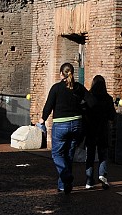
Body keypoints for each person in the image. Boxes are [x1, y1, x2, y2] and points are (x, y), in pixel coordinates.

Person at [39, 62, 92, 194]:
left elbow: (48, 106)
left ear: (61, 74)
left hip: (61, 124)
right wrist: (82, 106)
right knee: (68, 155)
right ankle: (63, 186)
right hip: (77, 124)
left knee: (57, 154)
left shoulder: (56, 88)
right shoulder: (78, 87)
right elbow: (92, 102)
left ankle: (66, 176)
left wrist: (42, 119)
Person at [84, 75, 116, 189]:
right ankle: (102, 176)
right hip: (103, 129)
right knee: (103, 155)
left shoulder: (89, 97)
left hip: (91, 129)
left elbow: (84, 113)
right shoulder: (108, 98)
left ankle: (89, 180)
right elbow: (112, 116)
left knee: (90, 156)